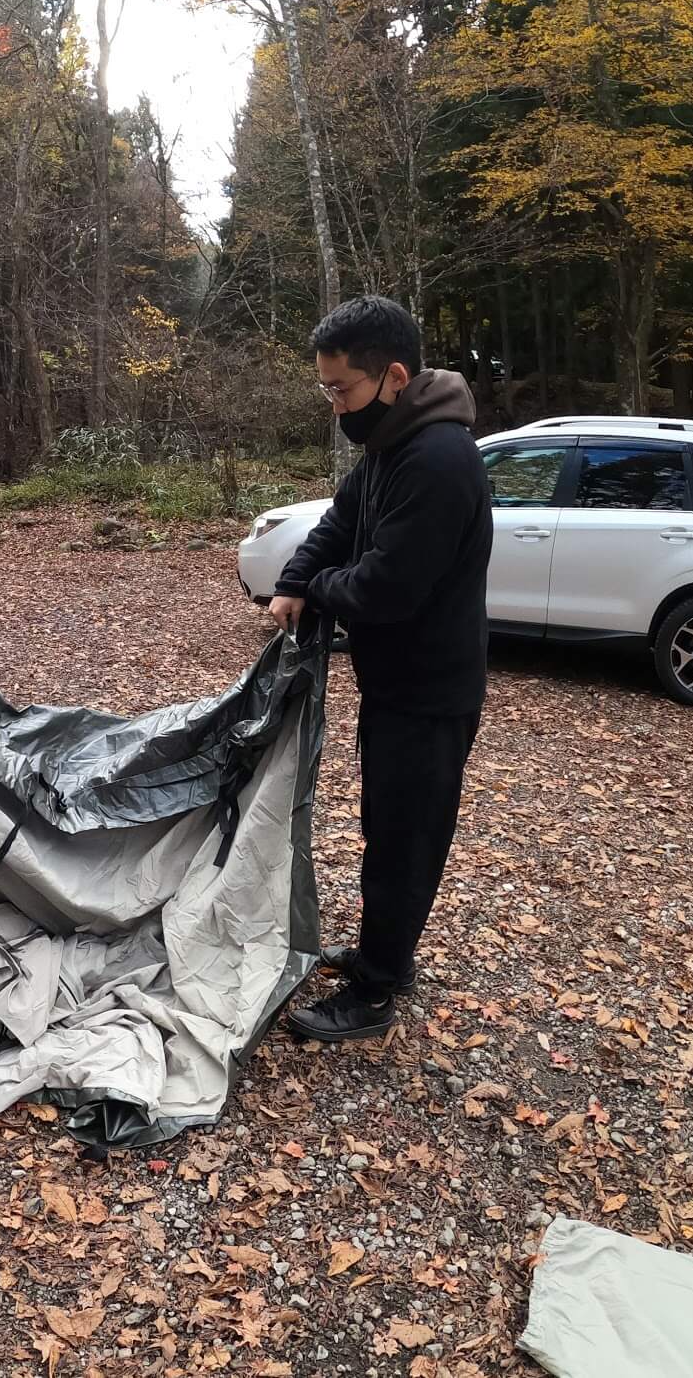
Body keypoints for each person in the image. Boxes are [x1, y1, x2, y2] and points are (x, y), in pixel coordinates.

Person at [269, 296, 492, 1041]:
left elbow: (384, 589)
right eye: (327, 389)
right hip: (395, 684)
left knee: (404, 841)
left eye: (342, 390)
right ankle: (381, 952)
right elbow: (338, 523)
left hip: (430, 692)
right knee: (386, 830)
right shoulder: (392, 443)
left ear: (393, 376)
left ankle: (374, 992)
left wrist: (322, 595)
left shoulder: (438, 461)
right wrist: (296, 580)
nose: (335, 405)